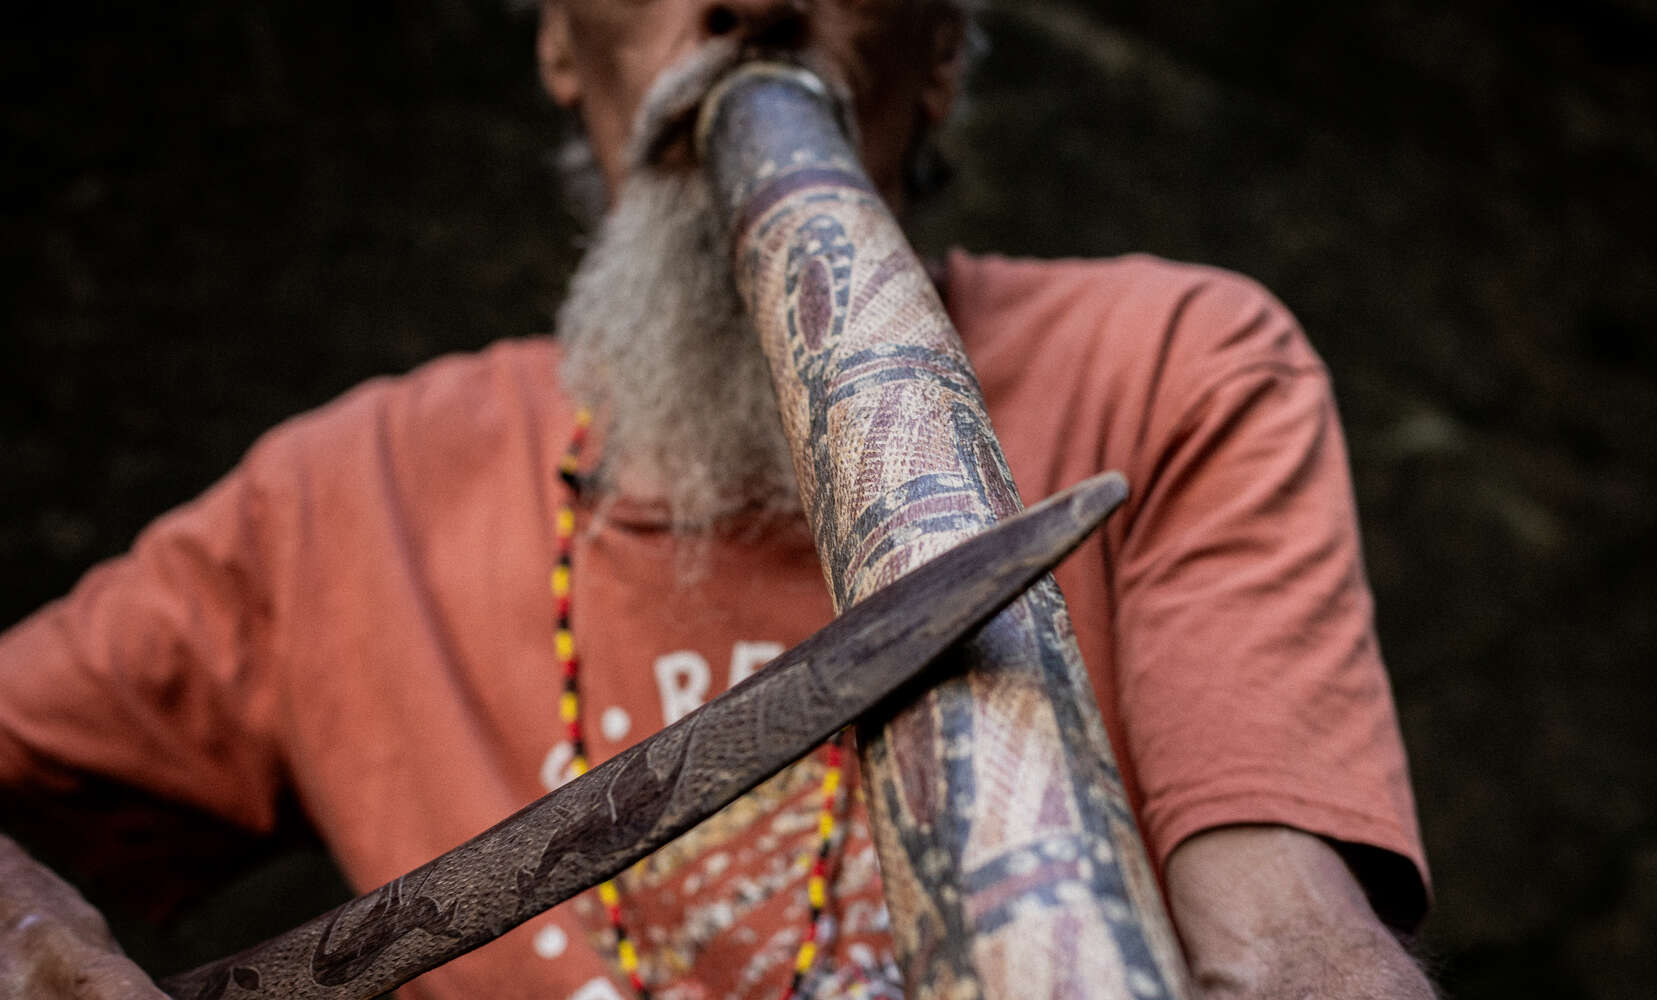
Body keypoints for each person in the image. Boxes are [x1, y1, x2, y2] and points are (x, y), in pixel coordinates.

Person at [0, 0, 1437, 997]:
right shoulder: (337, 500)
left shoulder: (1174, 364)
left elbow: (1283, 941)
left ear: (935, 61)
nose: (751, 4)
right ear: (564, 47)